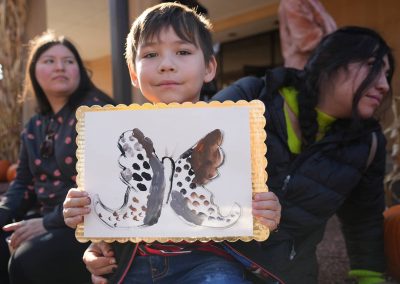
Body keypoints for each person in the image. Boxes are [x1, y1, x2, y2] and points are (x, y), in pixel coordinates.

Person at [62, 3, 281, 284]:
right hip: (134, 265)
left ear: (209, 67)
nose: (166, 64)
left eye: (183, 52)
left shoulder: (237, 131)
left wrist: (267, 211)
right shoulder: (110, 133)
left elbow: (254, 208)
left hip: (210, 262)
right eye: (151, 54)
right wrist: (87, 226)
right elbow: (105, 223)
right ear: (133, 72)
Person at [212, 26, 394, 283]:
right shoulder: (253, 96)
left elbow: (363, 221)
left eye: (387, 75)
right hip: (212, 262)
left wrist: (372, 279)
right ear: (331, 62)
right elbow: (192, 142)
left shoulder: (368, 144)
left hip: (287, 274)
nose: (384, 85)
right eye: (372, 67)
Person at [0, 31, 115, 284]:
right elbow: (22, 183)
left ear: (80, 71)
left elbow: (106, 186)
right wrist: (4, 211)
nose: (60, 67)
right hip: (46, 217)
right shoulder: (34, 125)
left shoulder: (96, 110)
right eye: (49, 60)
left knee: (26, 259)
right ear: (34, 71)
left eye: (69, 61)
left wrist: (48, 223)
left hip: (87, 227)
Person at [278, 0, 336, 69]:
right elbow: (306, 41)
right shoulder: (293, 2)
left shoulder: (315, 3)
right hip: (307, 70)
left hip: (319, 67)